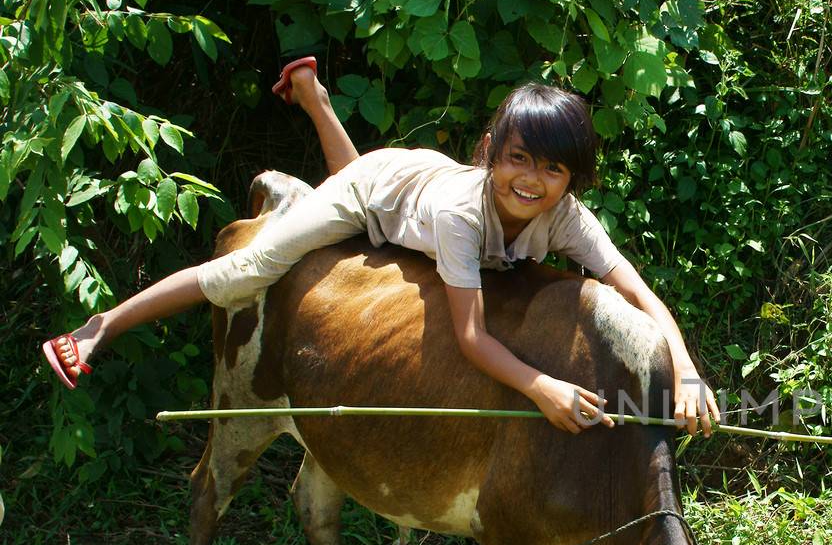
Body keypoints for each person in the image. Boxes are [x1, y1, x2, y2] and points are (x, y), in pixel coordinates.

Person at [41, 58, 720, 436]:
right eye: (519, 159)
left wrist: (685, 368)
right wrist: (541, 387)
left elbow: (634, 287)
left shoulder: (565, 214)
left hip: (412, 178)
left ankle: (312, 94)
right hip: (383, 189)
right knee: (250, 267)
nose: (532, 181)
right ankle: (101, 326)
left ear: (572, 177)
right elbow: (472, 336)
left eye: (552, 169)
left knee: (366, 187)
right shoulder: (463, 214)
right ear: (491, 155)